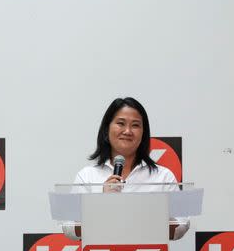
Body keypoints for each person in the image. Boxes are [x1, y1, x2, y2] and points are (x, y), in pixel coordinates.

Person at [66, 96, 188, 240]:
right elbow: (70, 230)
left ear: (143, 133)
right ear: (107, 129)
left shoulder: (163, 176)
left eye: (135, 125)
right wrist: (100, 203)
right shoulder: (87, 176)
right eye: (121, 123)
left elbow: (180, 227)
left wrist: (149, 215)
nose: (128, 131)